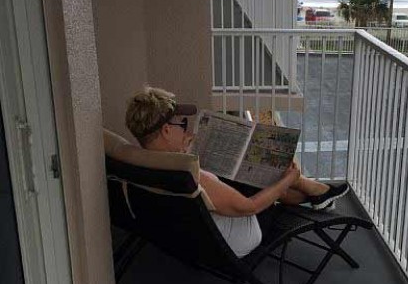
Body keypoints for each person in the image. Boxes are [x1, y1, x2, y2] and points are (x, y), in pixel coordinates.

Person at [125, 87, 349, 257]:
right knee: (265, 174)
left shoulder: (142, 164)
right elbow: (249, 207)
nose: (186, 128)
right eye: (182, 124)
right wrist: (286, 181)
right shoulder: (188, 173)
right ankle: (314, 190)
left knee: (243, 172)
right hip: (238, 239)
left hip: (192, 237)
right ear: (166, 130)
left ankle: (315, 192)